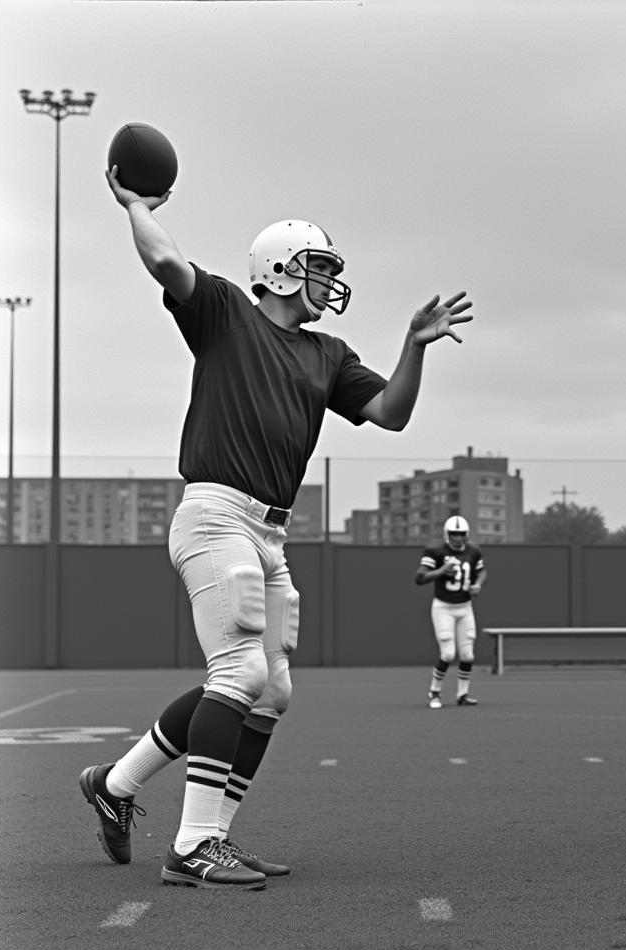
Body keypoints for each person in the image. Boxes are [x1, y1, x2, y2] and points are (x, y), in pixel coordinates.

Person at [79, 167, 473, 890]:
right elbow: (167, 262)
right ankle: (192, 845)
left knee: (271, 689)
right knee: (240, 672)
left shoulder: (329, 354)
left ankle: (127, 789)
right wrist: (135, 205)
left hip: (270, 533)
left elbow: (391, 413)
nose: (329, 283)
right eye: (320, 268)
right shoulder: (227, 311)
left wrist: (414, 345)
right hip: (216, 512)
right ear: (283, 270)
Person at [415, 515, 487, 709]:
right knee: (447, 654)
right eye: (454, 534)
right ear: (447, 535)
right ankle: (434, 693)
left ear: (467, 535)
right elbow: (419, 577)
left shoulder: (473, 551)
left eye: (461, 534)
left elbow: (482, 571)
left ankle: (462, 694)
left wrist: (478, 584)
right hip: (443, 607)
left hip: (465, 607)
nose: (457, 538)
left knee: (467, 655)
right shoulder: (435, 551)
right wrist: (441, 571)